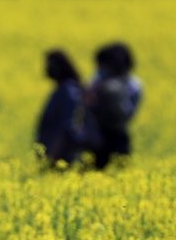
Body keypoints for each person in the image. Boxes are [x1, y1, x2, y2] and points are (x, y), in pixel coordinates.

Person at [80, 42, 143, 170]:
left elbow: (128, 113)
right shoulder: (99, 80)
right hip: (99, 134)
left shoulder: (132, 85)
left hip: (114, 135)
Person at [36, 49, 85, 166]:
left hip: (62, 157)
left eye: (50, 65)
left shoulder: (68, 91)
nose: (47, 68)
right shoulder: (62, 89)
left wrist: (53, 154)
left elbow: (67, 126)